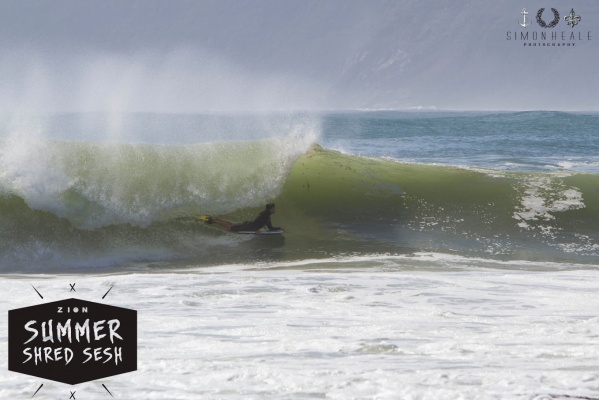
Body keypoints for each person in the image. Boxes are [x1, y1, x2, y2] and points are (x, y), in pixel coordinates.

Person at [205, 203, 283, 233]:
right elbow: (259, 222)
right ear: (271, 209)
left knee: (231, 224)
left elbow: (269, 228)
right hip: (249, 227)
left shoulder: (266, 214)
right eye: (274, 208)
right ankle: (213, 220)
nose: (275, 209)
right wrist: (256, 230)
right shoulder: (266, 215)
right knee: (230, 227)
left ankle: (215, 219)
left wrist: (279, 228)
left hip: (249, 225)